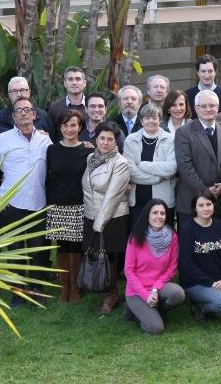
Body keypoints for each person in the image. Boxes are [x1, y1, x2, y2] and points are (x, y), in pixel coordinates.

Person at [0, 98, 52, 307]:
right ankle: (18, 292)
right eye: (19, 110)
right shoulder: (3, 140)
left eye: (28, 109)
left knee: (38, 250)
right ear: (13, 117)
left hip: (39, 204)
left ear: (34, 114)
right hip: (12, 206)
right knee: (15, 250)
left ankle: (36, 290)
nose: (24, 113)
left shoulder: (45, 140)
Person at [82, 121, 131, 314]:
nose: (105, 142)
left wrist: (99, 224)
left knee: (110, 256)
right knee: (96, 253)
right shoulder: (91, 158)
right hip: (91, 213)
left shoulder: (120, 163)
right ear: (96, 139)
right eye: (102, 138)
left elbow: (112, 196)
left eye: (110, 139)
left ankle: (111, 295)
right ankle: (100, 286)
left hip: (112, 217)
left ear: (115, 141)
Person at [45, 109, 93, 303]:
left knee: (77, 247)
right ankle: (64, 287)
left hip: (80, 204)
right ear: (60, 127)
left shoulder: (88, 150)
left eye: (73, 125)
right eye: (65, 125)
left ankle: (75, 288)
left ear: (80, 127)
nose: (69, 129)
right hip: (58, 204)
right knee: (62, 247)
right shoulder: (52, 150)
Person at [179, 190, 221, 324]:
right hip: (195, 283)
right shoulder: (187, 229)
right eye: (201, 205)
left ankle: (203, 307)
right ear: (194, 208)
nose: (205, 208)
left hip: (219, 281)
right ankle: (198, 305)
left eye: (208, 204)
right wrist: (210, 282)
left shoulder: (220, 226)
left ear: (214, 205)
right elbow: (187, 264)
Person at [123, 199, 185, 334]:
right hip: (137, 291)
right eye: (155, 213)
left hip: (159, 286)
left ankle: (157, 309)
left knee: (178, 294)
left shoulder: (172, 237)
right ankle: (134, 311)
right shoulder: (135, 237)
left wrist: (155, 289)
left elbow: (171, 269)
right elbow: (129, 271)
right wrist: (146, 296)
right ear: (148, 215)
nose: (159, 216)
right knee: (156, 328)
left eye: (162, 213)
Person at [174, 90, 221, 226]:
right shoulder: (183, 132)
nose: (208, 109)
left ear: (218, 108)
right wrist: (205, 191)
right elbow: (185, 167)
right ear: (196, 108)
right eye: (203, 106)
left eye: (212, 105)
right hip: (192, 201)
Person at [124, 103, 177, 230]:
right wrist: (157, 178)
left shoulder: (170, 139)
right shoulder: (131, 140)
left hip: (163, 201)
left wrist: (142, 165)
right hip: (138, 201)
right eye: (147, 118)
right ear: (141, 121)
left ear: (160, 120)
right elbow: (130, 171)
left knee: (163, 236)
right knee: (138, 236)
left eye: (154, 118)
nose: (151, 121)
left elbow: (172, 168)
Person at [47, 66, 87, 135]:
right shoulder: (55, 107)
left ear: (84, 83)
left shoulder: (93, 107)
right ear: (65, 83)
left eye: (78, 79)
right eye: (70, 79)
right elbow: (51, 135)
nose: (74, 83)